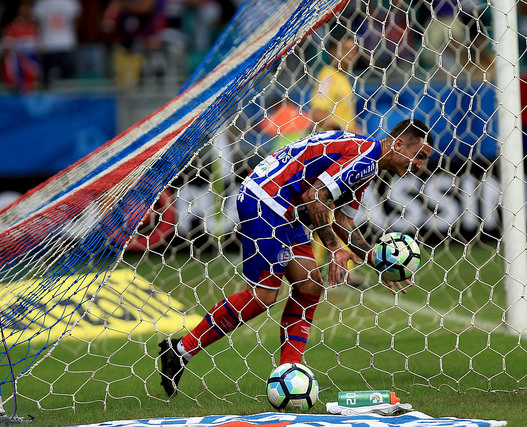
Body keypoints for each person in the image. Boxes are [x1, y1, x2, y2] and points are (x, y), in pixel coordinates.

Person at [158, 119, 433, 397]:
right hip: (265, 199)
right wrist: (334, 248)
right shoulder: (364, 157)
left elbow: (342, 220)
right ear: (398, 144)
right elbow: (314, 198)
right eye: (419, 156)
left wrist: (377, 261)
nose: (420, 166)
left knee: (310, 286)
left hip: (285, 207)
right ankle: (180, 350)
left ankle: (290, 375)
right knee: (263, 296)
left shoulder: (368, 164)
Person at [309, 29, 361, 133]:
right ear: (333, 52)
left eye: (354, 51)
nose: (352, 55)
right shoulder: (329, 77)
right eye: (346, 50)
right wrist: (344, 130)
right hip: (330, 143)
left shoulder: (342, 78)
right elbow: (317, 114)